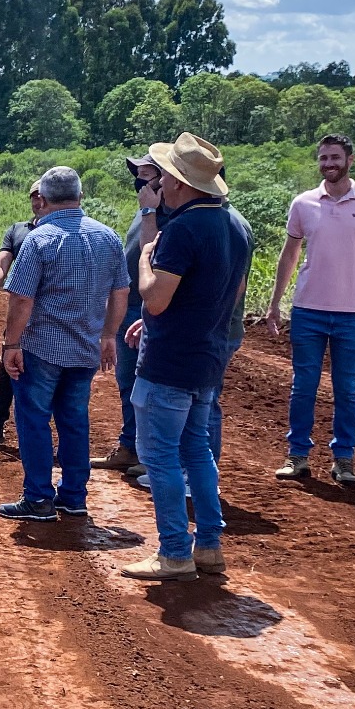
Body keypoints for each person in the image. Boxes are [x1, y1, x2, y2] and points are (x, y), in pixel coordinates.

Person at [119, 134, 252, 581]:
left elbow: (155, 299)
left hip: (169, 363)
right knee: (197, 451)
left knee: (160, 457)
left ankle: (174, 551)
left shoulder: (182, 229)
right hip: (208, 356)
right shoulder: (237, 226)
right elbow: (227, 297)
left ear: (175, 183)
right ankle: (209, 547)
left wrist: (145, 261)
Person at [263, 133, 355, 486]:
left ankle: (343, 460)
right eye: (323, 158)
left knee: (347, 390)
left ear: (350, 159)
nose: (329, 164)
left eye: (335, 158)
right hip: (308, 310)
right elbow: (289, 254)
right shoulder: (303, 203)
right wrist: (275, 302)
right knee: (304, 386)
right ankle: (297, 456)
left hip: (353, 313)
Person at [0, 168, 127, 523]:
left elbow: (21, 299)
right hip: (85, 348)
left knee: (34, 420)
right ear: (80, 196)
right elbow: (121, 291)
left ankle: (38, 497)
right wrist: (109, 335)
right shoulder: (108, 237)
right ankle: (73, 496)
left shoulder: (40, 239)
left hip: (42, 348)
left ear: (45, 199)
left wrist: (11, 344)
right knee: (74, 421)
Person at [90, 158, 159, 474]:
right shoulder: (146, 208)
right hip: (129, 304)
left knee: (146, 385)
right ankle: (130, 447)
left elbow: (153, 256)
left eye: (147, 174)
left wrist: (149, 212)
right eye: (139, 175)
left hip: (146, 310)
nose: (140, 181)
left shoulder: (160, 213)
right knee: (128, 383)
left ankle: (149, 455)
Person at [0, 181, 46, 446]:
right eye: (33, 197)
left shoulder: (62, 231)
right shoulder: (18, 231)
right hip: (22, 315)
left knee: (51, 376)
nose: (38, 202)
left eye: (43, 196)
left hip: (54, 318)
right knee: (8, 368)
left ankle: (48, 439)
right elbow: (1, 262)